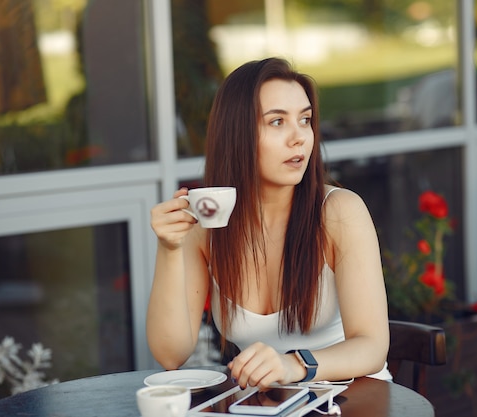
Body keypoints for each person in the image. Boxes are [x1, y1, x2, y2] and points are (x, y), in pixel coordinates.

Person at [147, 57, 391, 389]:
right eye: (277, 122)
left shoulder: (339, 212)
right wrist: (169, 248)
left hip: (354, 399)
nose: (299, 138)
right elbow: (170, 354)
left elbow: (372, 346)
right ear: (237, 135)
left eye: (305, 120)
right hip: (270, 406)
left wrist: (294, 364)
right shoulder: (208, 226)